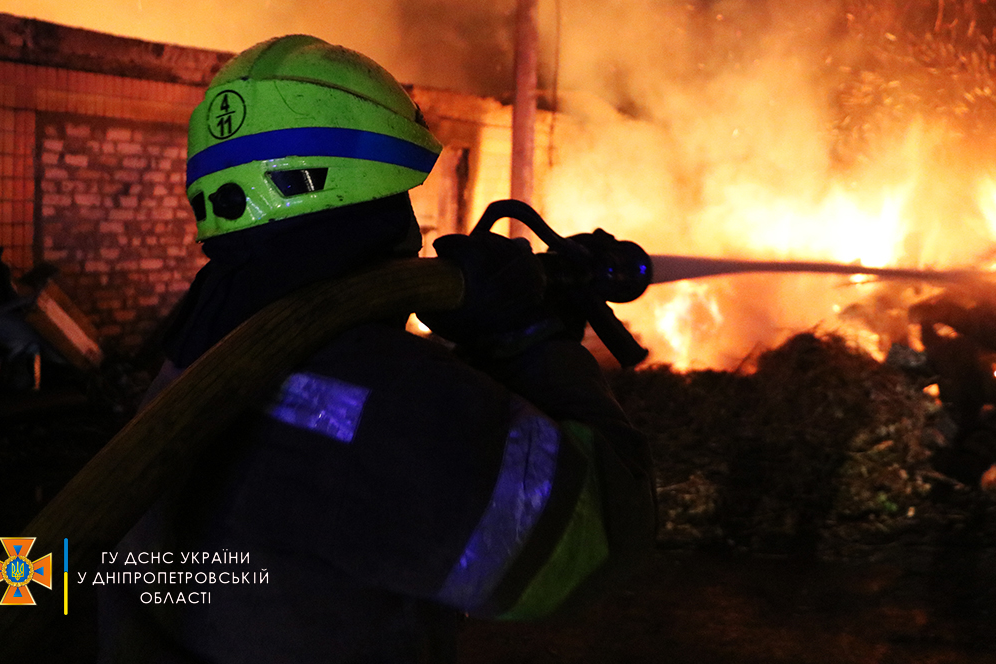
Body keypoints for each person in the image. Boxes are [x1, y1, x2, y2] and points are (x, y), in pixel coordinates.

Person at [97, 34, 656, 663]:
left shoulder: (203, 341)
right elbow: (598, 534)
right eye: (400, 197)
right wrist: (528, 342)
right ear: (365, 192)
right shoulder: (382, 397)